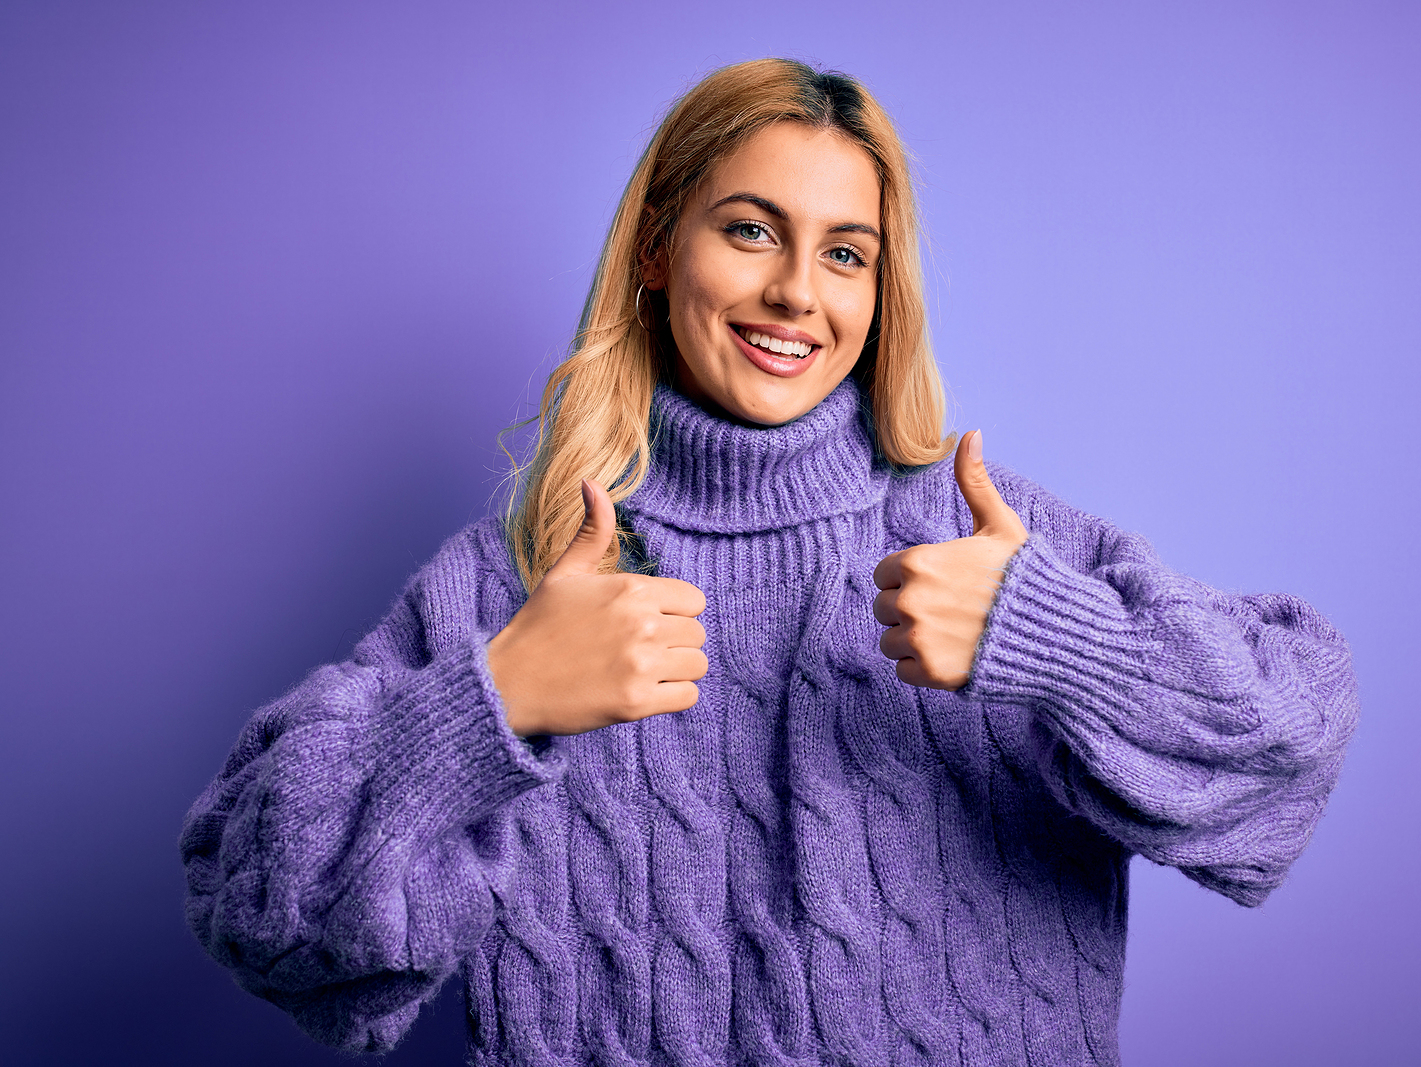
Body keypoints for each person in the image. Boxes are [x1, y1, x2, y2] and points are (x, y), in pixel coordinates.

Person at [181, 58, 1358, 1066]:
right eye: (750, 229)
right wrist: (494, 703)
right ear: (655, 248)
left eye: (845, 253)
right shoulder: (517, 591)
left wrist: (1064, 645)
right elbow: (258, 918)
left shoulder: (990, 547)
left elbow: (1287, 765)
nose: (796, 289)